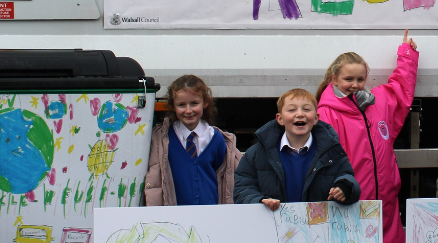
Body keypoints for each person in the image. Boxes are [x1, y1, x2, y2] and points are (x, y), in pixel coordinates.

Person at [315, 30, 418, 243]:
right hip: (350, 205)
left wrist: (407, 55)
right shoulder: (326, 113)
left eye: (360, 79)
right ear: (334, 79)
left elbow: (401, 88)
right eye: (348, 79)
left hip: (385, 206)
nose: (355, 85)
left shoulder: (377, 102)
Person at [233, 88, 360, 209]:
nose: (300, 114)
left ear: (316, 118)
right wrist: (259, 200)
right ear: (280, 119)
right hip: (272, 227)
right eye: (292, 110)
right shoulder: (257, 153)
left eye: (306, 109)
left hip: (317, 228)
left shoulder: (332, 152)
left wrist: (345, 188)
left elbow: (347, 176)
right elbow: (242, 188)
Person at [144, 74, 240, 206]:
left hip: (210, 211)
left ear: (205, 102)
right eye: (181, 105)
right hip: (176, 213)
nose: (188, 111)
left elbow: (221, 173)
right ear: (173, 106)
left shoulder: (216, 138)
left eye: (194, 103)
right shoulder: (164, 140)